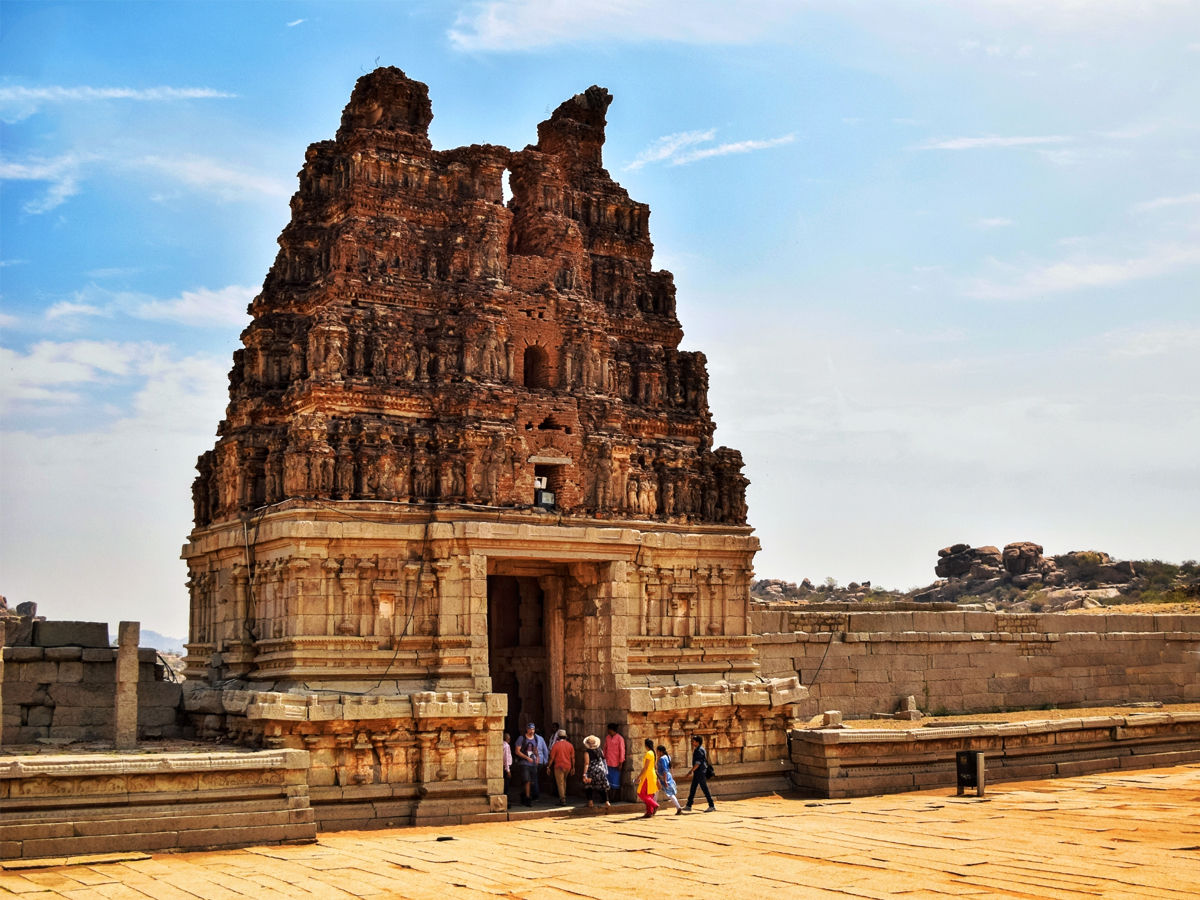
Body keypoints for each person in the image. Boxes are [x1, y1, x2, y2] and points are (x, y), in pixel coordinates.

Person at [514, 722, 543, 807]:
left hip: (532, 763)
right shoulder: (521, 738)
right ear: (527, 729)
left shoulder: (535, 739)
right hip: (524, 763)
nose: (532, 731)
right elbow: (517, 751)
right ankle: (527, 798)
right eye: (530, 729)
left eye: (533, 729)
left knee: (531, 782)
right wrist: (527, 758)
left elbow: (535, 749)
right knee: (527, 780)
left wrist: (537, 757)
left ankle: (524, 795)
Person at [684, 735, 715, 812]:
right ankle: (689, 805)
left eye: (694, 741)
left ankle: (711, 805)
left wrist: (690, 771)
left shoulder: (698, 750)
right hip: (699, 772)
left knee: (704, 788)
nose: (692, 742)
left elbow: (698, 763)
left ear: (697, 742)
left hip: (700, 772)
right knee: (693, 788)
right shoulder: (701, 749)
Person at [547, 728, 575, 805]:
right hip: (568, 766)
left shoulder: (556, 745)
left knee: (560, 783)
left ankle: (562, 799)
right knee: (564, 781)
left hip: (559, 766)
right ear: (565, 737)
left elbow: (552, 758)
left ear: (558, 737)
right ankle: (563, 796)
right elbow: (572, 757)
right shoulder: (570, 745)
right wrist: (573, 767)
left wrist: (548, 766)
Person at [581, 735, 610, 808]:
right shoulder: (600, 750)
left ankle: (590, 802)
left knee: (589, 786)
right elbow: (604, 760)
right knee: (602, 786)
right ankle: (607, 802)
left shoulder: (587, 752)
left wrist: (584, 774)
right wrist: (605, 771)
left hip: (592, 771)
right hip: (601, 770)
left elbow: (587, 764)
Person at [655, 744, 683, 814]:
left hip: (663, 778)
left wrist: (665, 780)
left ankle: (678, 807)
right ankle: (654, 806)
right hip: (666, 777)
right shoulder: (667, 757)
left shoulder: (662, 758)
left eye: (657, 752)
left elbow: (665, 770)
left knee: (668, 793)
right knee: (657, 791)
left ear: (660, 752)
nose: (657, 753)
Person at [635, 737, 659, 817]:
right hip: (652, 775)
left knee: (641, 793)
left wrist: (638, 777)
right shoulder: (653, 753)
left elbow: (645, 768)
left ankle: (654, 805)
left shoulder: (649, 753)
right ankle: (649, 812)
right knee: (649, 794)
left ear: (646, 745)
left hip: (647, 776)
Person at [603, 723, 626, 799]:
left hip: (616, 763)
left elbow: (622, 751)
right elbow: (605, 749)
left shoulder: (620, 739)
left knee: (615, 781)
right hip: (608, 763)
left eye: (609, 730)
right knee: (607, 781)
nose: (608, 731)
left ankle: (613, 797)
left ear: (612, 730)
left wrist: (621, 763)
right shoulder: (607, 738)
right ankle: (608, 798)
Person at [501, 731, 513, 798]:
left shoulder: (502, 744)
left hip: (503, 766)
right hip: (506, 767)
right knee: (506, 784)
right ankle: (506, 798)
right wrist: (508, 770)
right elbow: (506, 757)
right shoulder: (506, 746)